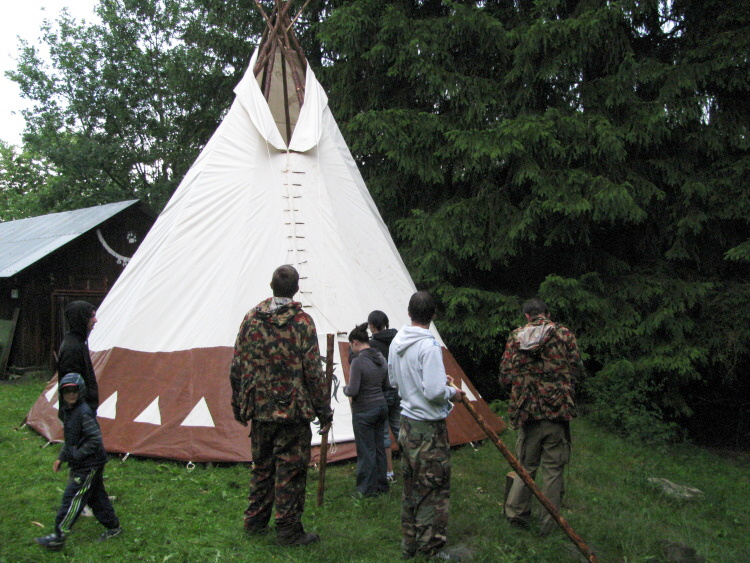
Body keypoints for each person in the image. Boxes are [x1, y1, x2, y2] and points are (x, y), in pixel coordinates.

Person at [230, 265, 334, 546]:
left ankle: (255, 521)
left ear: (271, 285)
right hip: (292, 412)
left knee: (262, 467)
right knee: (291, 472)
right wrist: (324, 411)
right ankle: (288, 531)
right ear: (297, 289)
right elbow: (313, 372)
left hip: (260, 409)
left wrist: (238, 403)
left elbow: (237, 364)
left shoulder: (251, 318)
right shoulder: (302, 323)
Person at [388, 291, 465, 560]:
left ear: (409, 312)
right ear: (433, 314)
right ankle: (429, 550)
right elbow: (433, 392)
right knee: (432, 489)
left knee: (411, 488)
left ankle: (410, 544)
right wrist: (452, 392)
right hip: (428, 430)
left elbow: (394, 381)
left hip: (407, 424)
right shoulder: (429, 346)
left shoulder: (398, 340)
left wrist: (430, 382)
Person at [500, 298, 584, 536]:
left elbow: (505, 375)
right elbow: (577, 370)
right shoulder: (564, 335)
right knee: (553, 469)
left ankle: (516, 516)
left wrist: (519, 393)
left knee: (525, 465)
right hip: (557, 412)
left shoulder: (516, 336)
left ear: (527, 315)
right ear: (547, 313)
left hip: (528, 412)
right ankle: (549, 523)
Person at [35, 373, 121, 551]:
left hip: (89, 465)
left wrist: (77, 455)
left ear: (80, 391)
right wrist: (62, 457)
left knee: (73, 498)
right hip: (84, 463)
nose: (71, 394)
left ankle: (59, 536)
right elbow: (70, 438)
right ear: (62, 393)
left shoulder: (84, 413)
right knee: (96, 497)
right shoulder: (69, 411)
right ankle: (114, 528)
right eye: (67, 391)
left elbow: (95, 439)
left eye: (74, 390)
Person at [344, 323, 389, 497]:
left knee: (366, 451)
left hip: (364, 410)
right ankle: (381, 485)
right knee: (379, 447)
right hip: (381, 406)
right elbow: (386, 384)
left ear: (355, 342)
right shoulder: (380, 357)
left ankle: (366, 490)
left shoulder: (358, 361)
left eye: (351, 345)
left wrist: (345, 389)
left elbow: (353, 390)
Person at [367, 310, 400, 483]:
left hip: (382, 391)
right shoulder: (398, 339)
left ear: (372, 326)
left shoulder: (373, 345)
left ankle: (389, 472)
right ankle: (413, 466)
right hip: (398, 389)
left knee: (383, 433)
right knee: (400, 429)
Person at [57, 301, 99, 413]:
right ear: (81, 318)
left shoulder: (79, 342)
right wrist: (82, 416)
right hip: (78, 413)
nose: (95, 320)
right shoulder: (72, 349)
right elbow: (70, 388)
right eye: (91, 316)